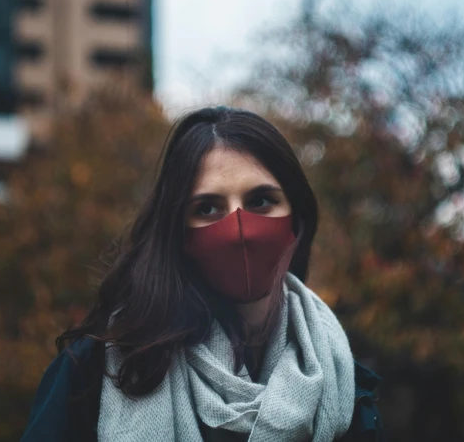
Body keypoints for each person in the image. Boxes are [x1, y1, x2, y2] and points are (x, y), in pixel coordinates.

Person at [20, 106, 385, 441]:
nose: (239, 227)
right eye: (209, 207)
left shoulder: (341, 381)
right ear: (178, 231)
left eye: (260, 201)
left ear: (296, 221)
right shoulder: (99, 369)